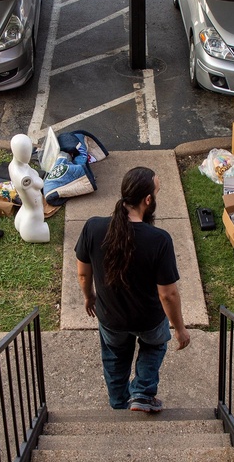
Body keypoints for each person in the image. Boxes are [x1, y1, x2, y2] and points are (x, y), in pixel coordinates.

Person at [75, 166, 190, 413]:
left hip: (111, 318)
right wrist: (180, 329)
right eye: (157, 192)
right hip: (149, 320)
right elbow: (168, 294)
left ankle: (118, 403)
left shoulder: (93, 228)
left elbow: (83, 273)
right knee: (155, 346)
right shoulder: (159, 240)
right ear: (148, 200)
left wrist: (89, 297)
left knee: (114, 357)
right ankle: (142, 393)